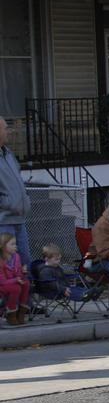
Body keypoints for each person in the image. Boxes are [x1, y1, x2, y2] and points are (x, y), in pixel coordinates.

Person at [0, 118, 32, 269]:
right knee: (8, 266)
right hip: (3, 221)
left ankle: (28, 292)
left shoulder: (8, 153)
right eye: (6, 128)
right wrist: (6, 203)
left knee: (25, 263)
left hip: (19, 218)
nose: (9, 131)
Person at [0, 231, 29, 325]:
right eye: (12, 244)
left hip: (12, 281)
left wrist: (22, 274)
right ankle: (11, 312)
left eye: (15, 244)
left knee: (26, 283)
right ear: (3, 246)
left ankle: (21, 312)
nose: (15, 246)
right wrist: (16, 280)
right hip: (2, 285)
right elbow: (2, 281)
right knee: (15, 288)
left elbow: (18, 273)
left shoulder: (16, 257)